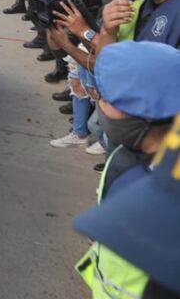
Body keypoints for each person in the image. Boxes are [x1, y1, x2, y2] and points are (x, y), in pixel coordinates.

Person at [70, 41, 180, 298]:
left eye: (107, 99)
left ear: (146, 112)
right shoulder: (122, 157)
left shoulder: (168, 191)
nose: (99, 106)